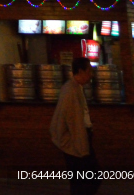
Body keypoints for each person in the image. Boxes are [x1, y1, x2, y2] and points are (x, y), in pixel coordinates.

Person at [50, 58, 99, 195]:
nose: (91, 74)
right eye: (89, 71)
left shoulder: (74, 87)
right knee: (86, 179)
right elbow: (72, 122)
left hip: (78, 140)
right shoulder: (70, 91)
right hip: (75, 142)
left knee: (82, 179)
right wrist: (80, 145)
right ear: (81, 71)